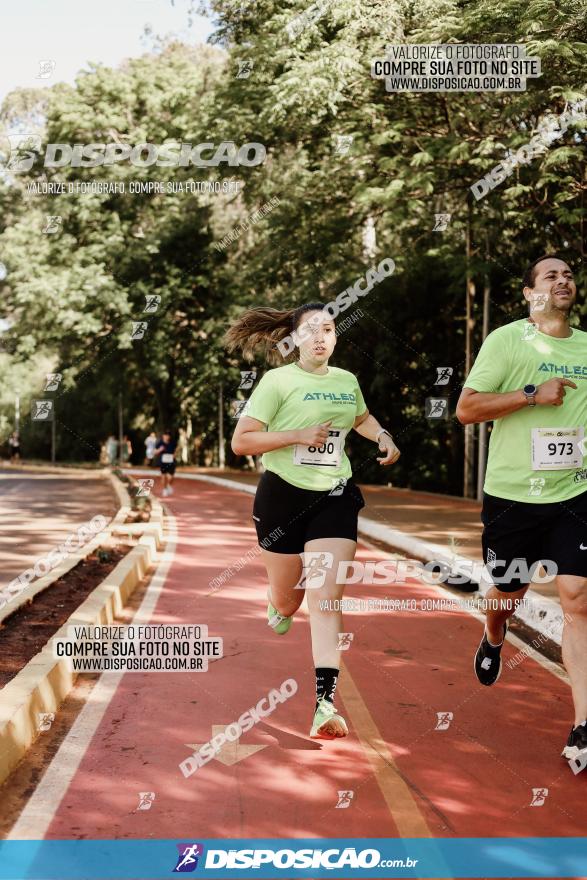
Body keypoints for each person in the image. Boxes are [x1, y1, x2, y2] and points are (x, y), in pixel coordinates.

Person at [226, 302, 400, 740]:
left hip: (334, 496)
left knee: (325, 597)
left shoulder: (346, 382)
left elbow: (359, 418)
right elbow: (241, 441)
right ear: (294, 340)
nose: (320, 336)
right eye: (310, 330)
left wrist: (381, 435)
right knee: (289, 604)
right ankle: (278, 596)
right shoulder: (277, 381)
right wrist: (296, 435)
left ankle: (325, 704)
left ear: (336, 337)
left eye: (327, 328)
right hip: (282, 496)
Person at [456, 254, 587, 768]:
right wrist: (532, 395)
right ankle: (492, 635)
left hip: (575, 494)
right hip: (513, 496)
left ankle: (582, 726)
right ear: (529, 292)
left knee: (577, 598)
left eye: (569, 274)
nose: (563, 280)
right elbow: (467, 409)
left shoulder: (586, 345)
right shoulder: (507, 341)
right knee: (507, 594)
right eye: (550, 275)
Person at [155, 430, 177, 497]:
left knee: (171, 477)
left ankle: (168, 485)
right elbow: (155, 452)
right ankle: (165, 489)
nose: (167, 436)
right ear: (163, 436)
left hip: (171, 462)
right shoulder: (160, 443)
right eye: (165, 435)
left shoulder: (173, 443)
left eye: (168, 435)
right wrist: (160, 450)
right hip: (163, 462)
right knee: (163, 476)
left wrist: (174, 455)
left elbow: (176, 450)